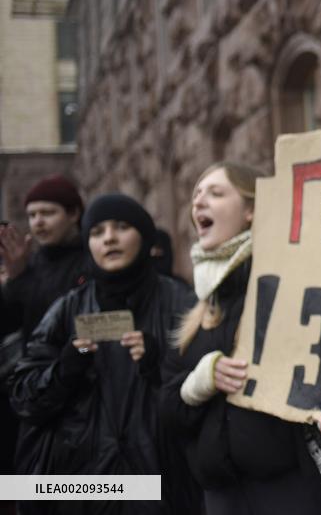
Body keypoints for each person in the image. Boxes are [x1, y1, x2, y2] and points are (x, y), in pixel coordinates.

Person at [160, 162, 321, 515]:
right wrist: (198, 384)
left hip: (292, 493)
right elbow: (166, 413)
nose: (199, 203)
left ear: (251, 210)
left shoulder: (292, 288)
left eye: (216, 193)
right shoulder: (197, 311)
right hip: (222, 496)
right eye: (196, 196)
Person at [8, 194, 197, 514]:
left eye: (122, 227)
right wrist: (64, 369)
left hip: (161, 485)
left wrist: (158, 363)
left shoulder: (181, 303)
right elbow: (23, 395)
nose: (109, 238)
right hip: (79, 488)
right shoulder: (68, 308)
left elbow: (205, 393)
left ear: (144, 236)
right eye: (97, 232)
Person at [0, 175, 90, 349]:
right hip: (37, 370)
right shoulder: (31, 264)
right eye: (32, 215)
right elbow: (10, 323)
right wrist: (15, 279)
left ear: (73, 214)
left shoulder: (91, 260)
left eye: (48, 213)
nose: (38, 222)